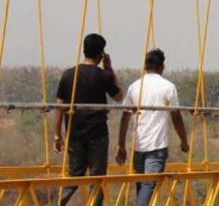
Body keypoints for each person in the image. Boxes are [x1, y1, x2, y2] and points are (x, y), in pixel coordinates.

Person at [52, 33, 124, 206]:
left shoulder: (68, 75)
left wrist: (57, 135)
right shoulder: (103, 76)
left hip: (74, 134)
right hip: (97, 134)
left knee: (73, 177)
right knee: (97, 179)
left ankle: (57, 204)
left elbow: (60, 107)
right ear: (101, 54)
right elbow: (119, 97)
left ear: (84, 51)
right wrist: (109, 69)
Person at [116, 49, 189, 206]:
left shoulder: (134, 87)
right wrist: (184, 141)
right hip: (157, 146)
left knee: (141, 185)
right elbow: (176, 116)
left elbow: (125, 117)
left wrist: (121, 145)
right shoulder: (168, 87)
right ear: (162, 66)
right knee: (148, 185)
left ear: (145, 66)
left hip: (138, 147)